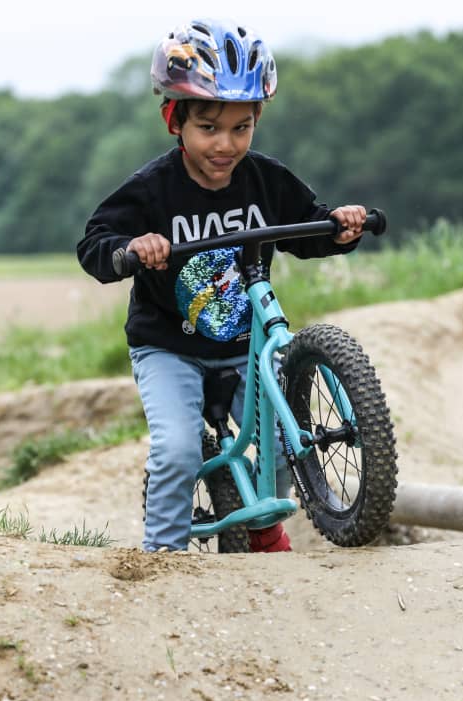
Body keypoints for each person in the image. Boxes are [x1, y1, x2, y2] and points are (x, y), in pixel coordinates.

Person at [77, 18, 366, 553]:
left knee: (286, 441)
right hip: (169, 346)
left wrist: (340, 227)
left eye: (241, 128)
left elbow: (308, 228)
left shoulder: (265, 179)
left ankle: (263, 528)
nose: (225, 144)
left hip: (244, 347)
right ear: (175, 120)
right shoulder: (151, 190)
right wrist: (133, 249)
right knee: (179, 451)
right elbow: (95, 245)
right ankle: (164, 554)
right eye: (208, 127)